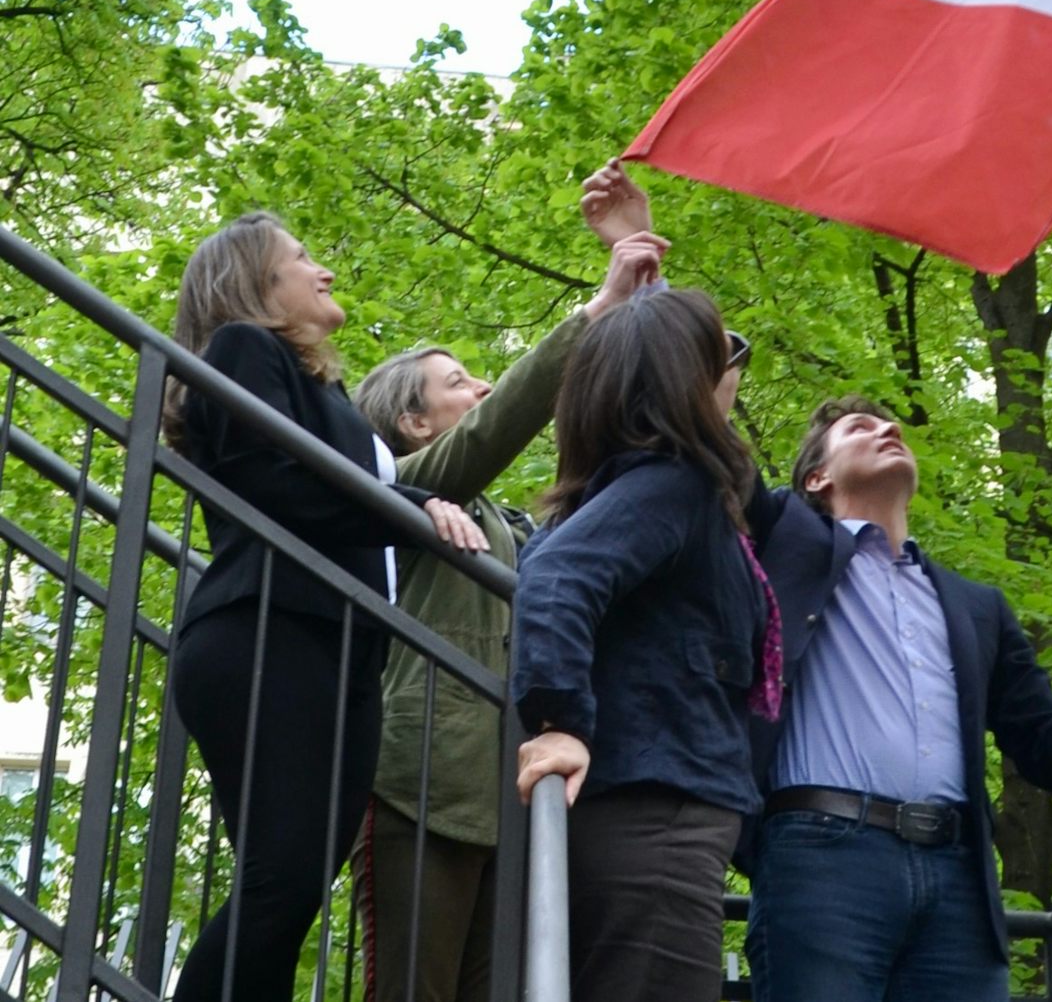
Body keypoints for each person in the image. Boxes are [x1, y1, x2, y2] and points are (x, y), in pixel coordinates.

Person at [743, 396, 1052, 1002]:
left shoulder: (976, 607)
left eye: (891, 424)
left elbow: (1048, 751)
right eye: (860, 428)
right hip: (822, 859)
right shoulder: (786, 546)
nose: (889, 429)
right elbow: (712, 458)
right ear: (816, 478)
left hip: (959, 879)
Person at [348, 164, 663, 1002]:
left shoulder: (511, 523)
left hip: (518, 801)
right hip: (425, 786)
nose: (481, 389)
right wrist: (594, 308)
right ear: (412, 422)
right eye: (459, 384)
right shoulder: (404, 487)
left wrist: (638, 297)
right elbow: (494, 431)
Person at [162, 214, 488, 1002]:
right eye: (302, 258)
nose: (324, 270)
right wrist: (413, 510)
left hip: (338, 646)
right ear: (254, 285)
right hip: (271, 633)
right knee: (285, 879)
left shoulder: (318, 384)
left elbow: (341, 489)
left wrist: (414, 504)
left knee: (294, 885)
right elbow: (279, 483)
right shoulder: (244, 346)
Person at [511, 289, 776, 1002]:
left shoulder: (645, 490)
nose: (737, 367)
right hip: (655, 815)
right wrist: (558, 722)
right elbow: (559, 577)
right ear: (683, 379)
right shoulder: (673, 486)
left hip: (656, 810)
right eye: (724, 354)